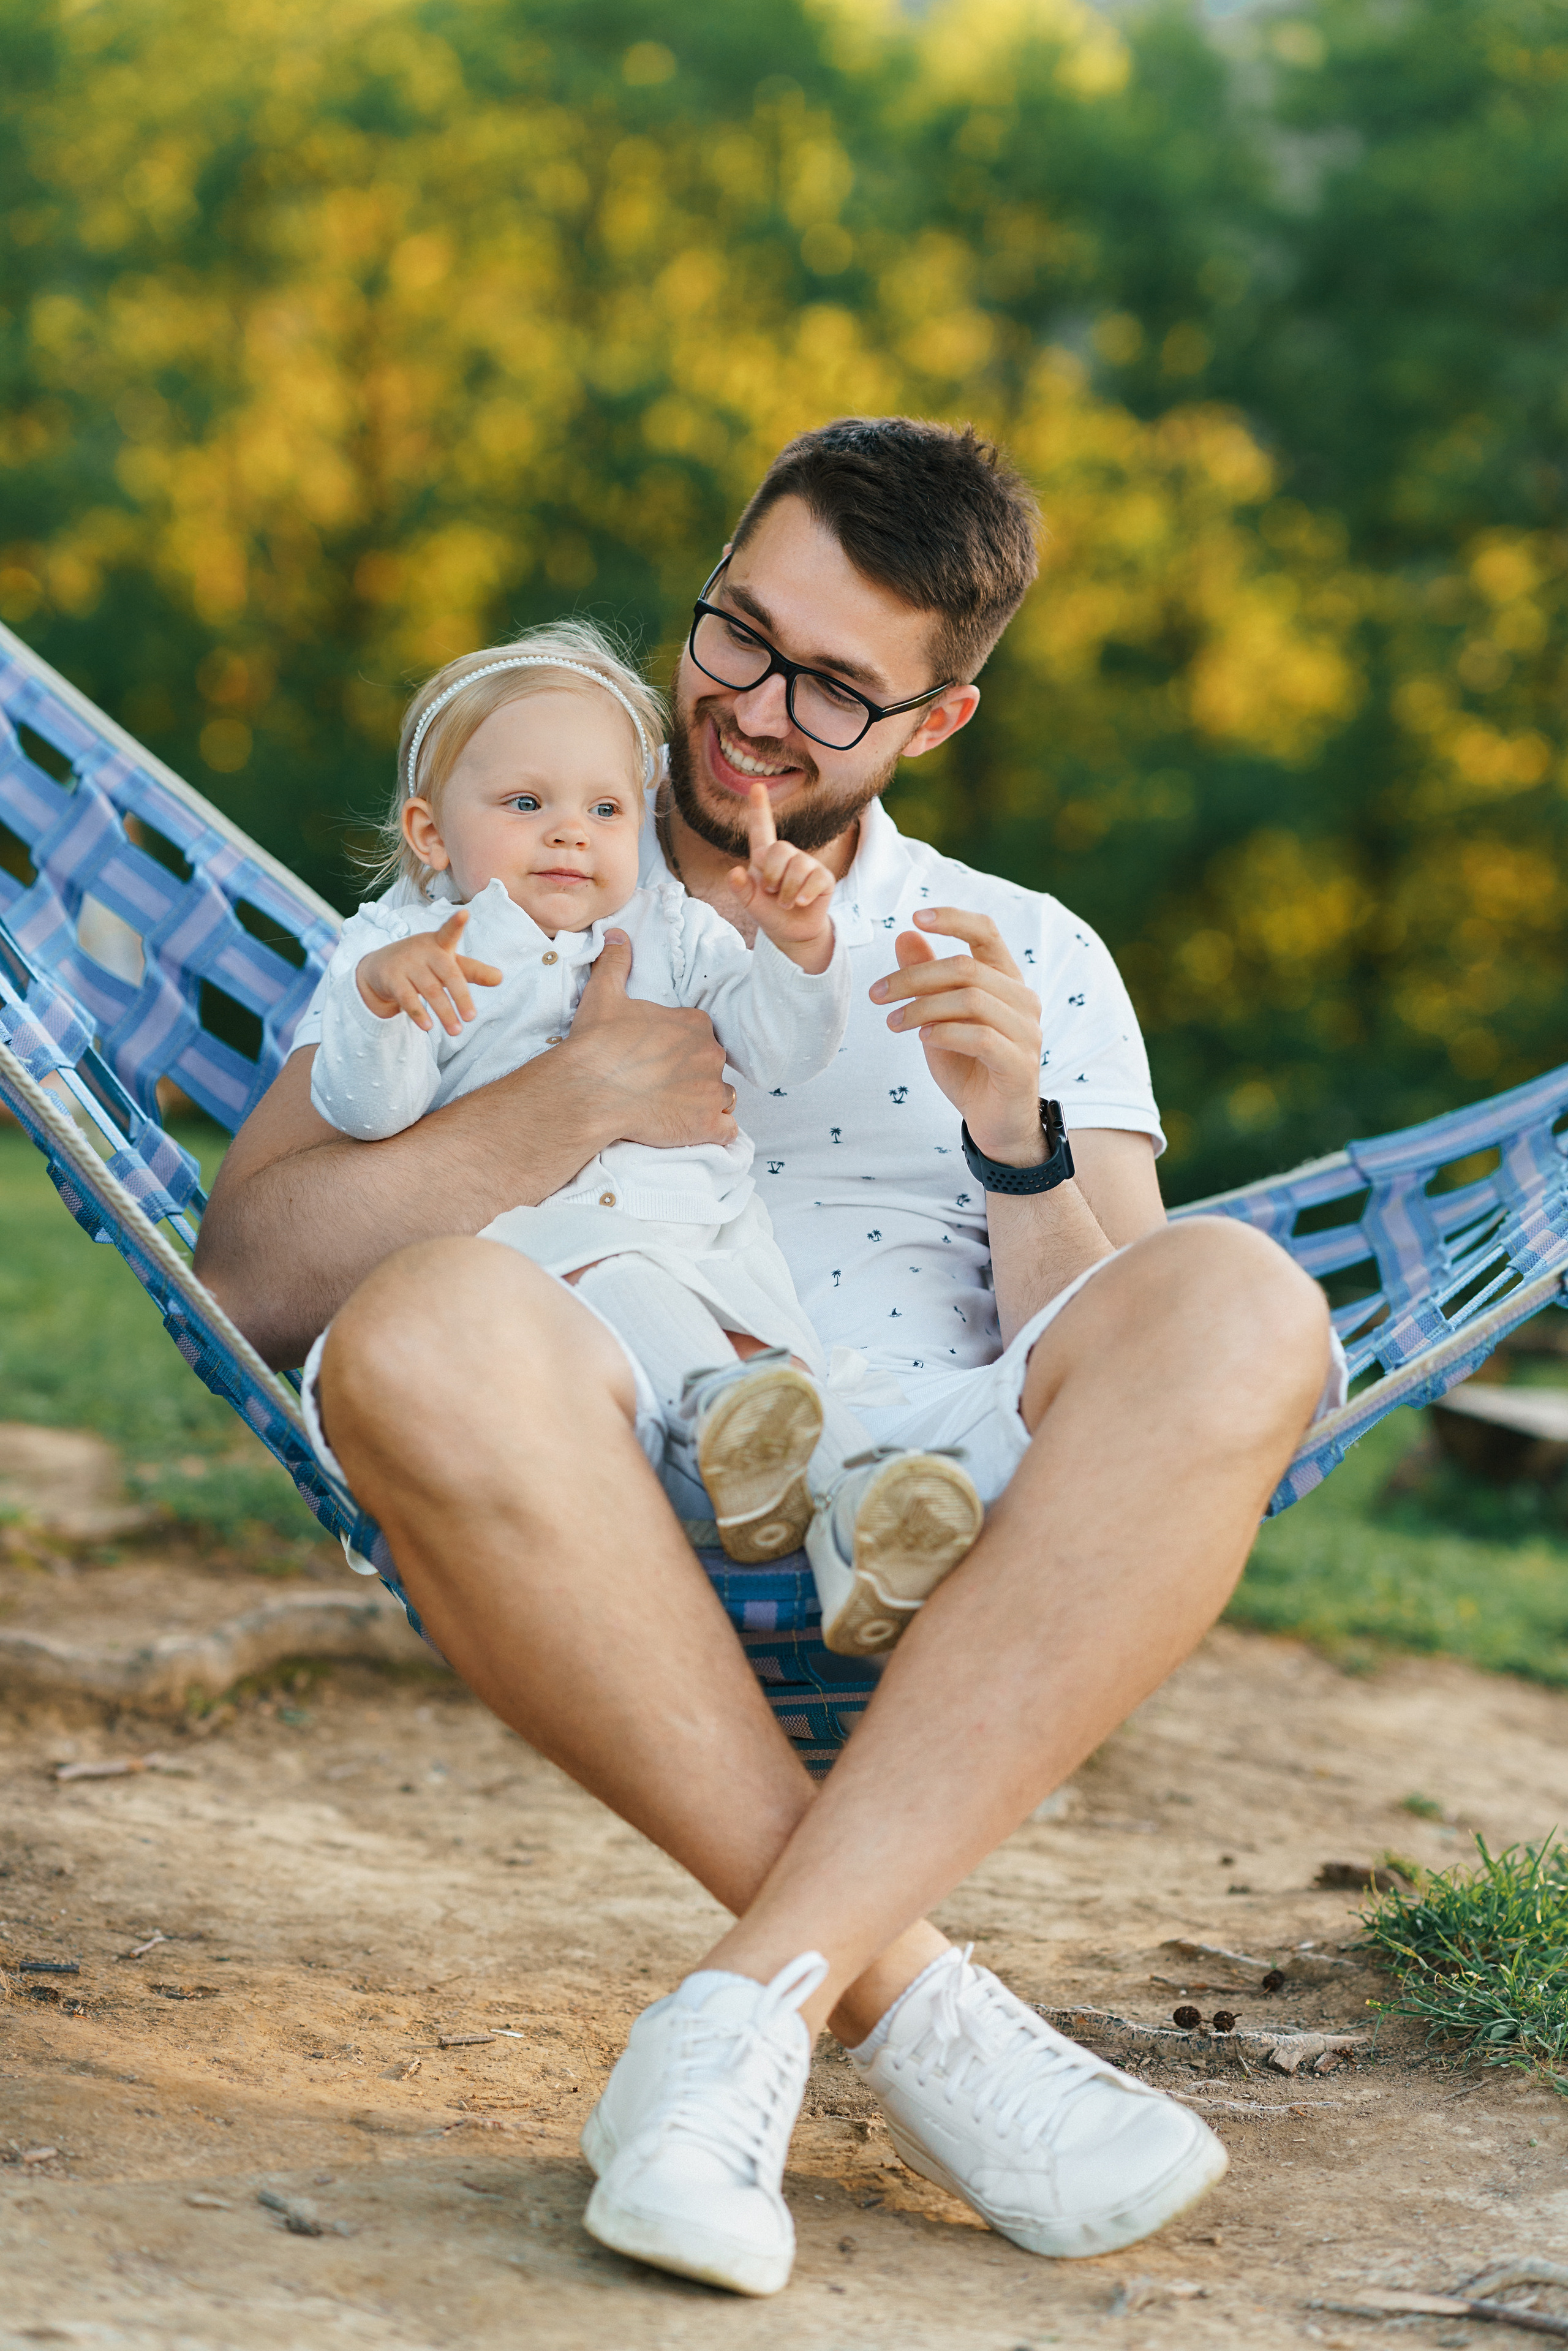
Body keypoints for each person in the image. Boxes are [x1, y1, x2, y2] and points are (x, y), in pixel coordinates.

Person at [195, 417, 1339, 2298]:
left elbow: (1137, 1382)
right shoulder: (501, 863)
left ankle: (750, 2005)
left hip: (917, 1485)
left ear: (938, 719)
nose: (748, 709)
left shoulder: (1031, 948)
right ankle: (911, 2002)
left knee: (1250, 1300)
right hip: (579, 1432)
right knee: (418, 1323)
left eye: (834, 686)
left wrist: (1016, 1134)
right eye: (737, 630)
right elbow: (252, 1273)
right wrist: (569, 1098)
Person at [304, 616, 983, 1594]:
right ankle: (725, 1427)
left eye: (608, 808)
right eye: (527, 802)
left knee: (782, 1380)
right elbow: (368, 1112)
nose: (570, 830)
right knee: (638, 1289)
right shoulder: (410, 947)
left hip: (707, 1248)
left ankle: (861, 1542)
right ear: (430, 833)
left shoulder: (674, 930)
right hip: (552, 1276)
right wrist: (382, 1006)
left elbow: (779, 1050)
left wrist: (796, 948)